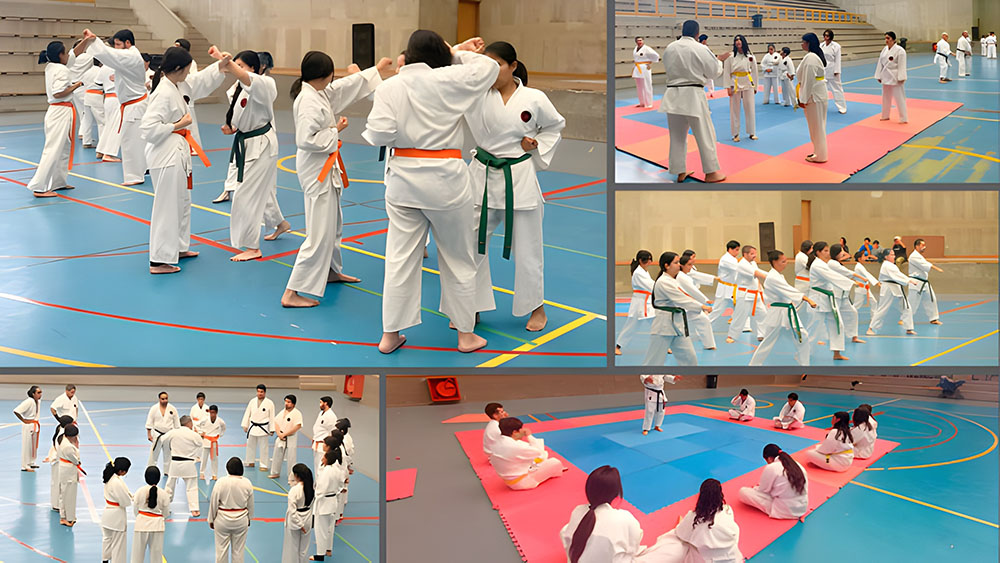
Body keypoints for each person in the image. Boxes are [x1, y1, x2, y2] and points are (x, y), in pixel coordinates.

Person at [363, 32, 499, 354]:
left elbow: (379, 133)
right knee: (458, 258)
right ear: (441, 54)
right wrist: (456, 52)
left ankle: (390, 335)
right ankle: (465, 335)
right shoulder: (449, 79)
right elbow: (490, 68)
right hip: (445, 180)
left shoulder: (390, 86)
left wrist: (405, 133)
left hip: (403, 180)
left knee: (399, 259)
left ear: (408, 55)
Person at [466, 42, 565, 333]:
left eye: (497, 64)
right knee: (469, 245)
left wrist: (535, 144)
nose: (491, 71)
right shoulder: (474, 94)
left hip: (518, 178)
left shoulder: (534, 98)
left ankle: (536, 307)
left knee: (529, 249)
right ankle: (470, 305)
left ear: (513, 66)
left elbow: (554, 126)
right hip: (482, 176)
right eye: (485, 65)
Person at [280, 53, 391, 307]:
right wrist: (335, 130)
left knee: (333, 224)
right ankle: (292, 291)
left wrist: (375, 69)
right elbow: (306, 140)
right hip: (316, 169)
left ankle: (330, 270)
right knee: (319, 232)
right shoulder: (308, 101)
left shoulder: (317, 92)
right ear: (326, 74)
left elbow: (344, 87)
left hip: (324, 166)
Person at [139, 46, 228, 275]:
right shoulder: (163, 92)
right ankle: (158, 260)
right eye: (187, 68)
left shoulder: (177, 85)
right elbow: (148, 129)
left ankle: (177, 247)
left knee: (182, 202)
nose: (189, 73)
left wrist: (220, 66)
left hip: (176, 152)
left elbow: (200, 81)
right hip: (165, 155)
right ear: (178, 68)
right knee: (167, 207)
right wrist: (177, 125)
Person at [223, 50, 283, 262]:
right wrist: (232, 127)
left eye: (241, 65)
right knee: (262, 191)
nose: (237, 69)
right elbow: (242, 114)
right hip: (247, 141)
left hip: (261, 144)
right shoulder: (237, 88)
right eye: (236, 64)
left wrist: (227, 63)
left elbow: (247, 79)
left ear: (254, 68)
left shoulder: (265, 84)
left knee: (245, 195)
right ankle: (280, 223)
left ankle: (252, 246)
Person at [659, 20, 729, 183]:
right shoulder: (700, 48)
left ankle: (679, 171)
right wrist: (719, 60)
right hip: (693, 95)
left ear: (683, 31)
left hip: (672, 94)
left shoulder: (670, 48)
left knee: (677, 136)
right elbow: (713, 72)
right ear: (697, 34)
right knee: (705, 134)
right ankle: (711, 172)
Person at [81, 29, 149, 185]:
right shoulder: (131, 56)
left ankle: (135, 176)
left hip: (134, 105)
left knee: (131, 141)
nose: (116, 47)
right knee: (134, 141)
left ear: (128, 43)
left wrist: (94, 40)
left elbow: (110, 55)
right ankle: (140, 171)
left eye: (118, 44)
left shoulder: (131, 56)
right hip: (132, 104)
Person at [27, 41, 83, 197]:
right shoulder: (61, 70)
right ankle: (39, 187)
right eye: (65, 53)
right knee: (53, 149)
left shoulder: (51, 67)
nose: (68, 56)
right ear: (60, 55)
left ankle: (58, 181)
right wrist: (77, 85)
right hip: (60, 111)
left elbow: (74, 54)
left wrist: (86, 41)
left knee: (63, 148)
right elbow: (58, 93)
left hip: (58, 111)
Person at [560, 466, 642, 562]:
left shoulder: (578, 511)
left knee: (567, 529)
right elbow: (633, 547)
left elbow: (567, 538)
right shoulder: (625, 518)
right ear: (616, 494)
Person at [749, 250, 817, 366]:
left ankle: (804, 364)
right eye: (783, 262)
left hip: (786, 312)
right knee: (768, 342)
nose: (786, 264)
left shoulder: (778, 276)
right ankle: (754, 365)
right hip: (778, 313)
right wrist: (807, 299)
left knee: (802, 336)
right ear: (775, 262)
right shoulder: (772, 277)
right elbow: (788, 290)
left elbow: (787, 290)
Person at [644, 252, 711, 366]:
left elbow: (685, 295)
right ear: (666, 265)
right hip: (664, 326)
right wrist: (701, 306)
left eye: (679, 262)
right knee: (654, 361)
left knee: (690, 359)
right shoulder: (663, 281)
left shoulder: (673, 280)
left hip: (678, 325)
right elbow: (681, 299)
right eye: (676, 262)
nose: (679, 265)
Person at [673, 479, 743, 562]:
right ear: (720, 495)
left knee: (678, 541)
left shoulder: (693, 517)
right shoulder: (727, 511)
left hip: (705, 559)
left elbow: (680, 533)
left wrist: (684, 524)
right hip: (733, 559)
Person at [807, 241, 854, 360]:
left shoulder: (823, 264)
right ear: (818, 252)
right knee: (814, 329)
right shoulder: (817, 265)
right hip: (818, 300)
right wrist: (851, 282)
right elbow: (832, 276)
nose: (828, 253)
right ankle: (805, 353)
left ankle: (836, 353)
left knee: (838, 325)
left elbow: (833, 275)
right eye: (825, 251)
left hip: (828, 299)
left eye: (828, 251)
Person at [489, 417, 565, 489]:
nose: (523, 431)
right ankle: (552, 472)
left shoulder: (498, 442)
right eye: (521, 429)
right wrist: (529, 436)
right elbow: (539, 452)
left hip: (509, 480)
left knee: (538, 460)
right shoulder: (515, 446)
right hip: (522, 482)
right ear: (515, 432)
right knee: (555, 462)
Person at [738, 444, 808, 519]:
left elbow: (763, 490)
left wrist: (755, 488)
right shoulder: (797, 465)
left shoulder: (772, 467)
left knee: (743, 491)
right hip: (802, 508)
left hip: (785, 511)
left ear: (769, 458)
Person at [209, 457, 255, 563]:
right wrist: (249, 518)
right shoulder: (247, 483)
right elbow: (250, 504)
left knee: (221, 550)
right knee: (238, 551)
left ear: (227, 468)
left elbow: (214, 502)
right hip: (241, 519)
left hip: (222, 519)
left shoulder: (221, 482)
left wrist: (211, 519)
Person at [867, 248, 918, 335]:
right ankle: (871, 328)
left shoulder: (891, 265)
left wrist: (908, 280)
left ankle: (909, 328)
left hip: (895, 287)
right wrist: (909, 280)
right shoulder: (887, 265)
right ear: (886, 257)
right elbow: (897, 275)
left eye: (894, 254)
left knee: (906, 307)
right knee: (883, 309)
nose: (894, 256)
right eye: (892, 255)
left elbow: (898, 275)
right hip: (888, 288)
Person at [163, 415, 203, 516]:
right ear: (189, 423)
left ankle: (164, 507)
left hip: (175, 464)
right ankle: (194, 510)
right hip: (188, 464)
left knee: (169, 487)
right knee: (192, 487)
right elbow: (200, 443)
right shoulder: (193, 434)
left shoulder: (173, 432)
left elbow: (162, 439)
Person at [312, 447, 348, 561]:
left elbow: (321, 489)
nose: (322, 458)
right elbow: (341, 484)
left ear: (327, 459)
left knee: (320, 530)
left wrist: (315, 496)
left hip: (324, 503)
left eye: (324, 457)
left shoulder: (326, 472)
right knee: (329, 528)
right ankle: (328, 549)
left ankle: (320, 555)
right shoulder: (337, 469)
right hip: (333, 502)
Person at [617, 250, 655, 356]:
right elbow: (651, 286)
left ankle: (663, 346)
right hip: (639, 304)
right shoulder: (638, 273)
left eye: (650, 259)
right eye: (647, 260)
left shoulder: (644, 271)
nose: (650, 262)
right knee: (631, 326)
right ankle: (617, 346)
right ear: (641, 260)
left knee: (656, 324)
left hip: (647, 302)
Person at [798, 33, 829, 163]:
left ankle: (821, 155)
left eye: (803, 42)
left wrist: (803, 99)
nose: (802, 44)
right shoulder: (813, 56)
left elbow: (809, 80)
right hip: (818, 95)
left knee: (816, 128)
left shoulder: (811, 58)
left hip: (814, 96)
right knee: (818, 127)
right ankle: (818, 152)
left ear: (809, 43)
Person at [727, 245, 768, 343]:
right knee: (740, 316)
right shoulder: (742, 264)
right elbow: (757, 273)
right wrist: (773, 278)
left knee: (763, 314)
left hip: (755, 294)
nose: (755, 255)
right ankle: (731, 336)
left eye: (755, 253)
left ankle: (762, 335)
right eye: (752, 253)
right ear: (745, 254)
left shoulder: (753, 263)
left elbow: (759, 271)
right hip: (744, 295)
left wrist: (772, 275)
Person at [827, 244, 866, 345]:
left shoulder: (838, 263)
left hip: (843, 294)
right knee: (835, 317)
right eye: (841, 251)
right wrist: (862, 278)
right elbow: (847, 272)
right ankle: (831, 338)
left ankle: (854, 336)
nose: (843, 253)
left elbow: (845, 274)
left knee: (853, 313)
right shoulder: (832, 263)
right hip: (835, 294)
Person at [132, 466, 171, 563]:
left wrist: (140, 517)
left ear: (145, 477)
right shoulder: (163, 494)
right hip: (157, 526)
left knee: (137, 555)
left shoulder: (139, 491)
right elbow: (166, 512)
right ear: (158, 478)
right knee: (156, 556)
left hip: (141, 524)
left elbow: (135, 509)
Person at [723, 34, 758, 142]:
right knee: (734, 109)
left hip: (748, 83)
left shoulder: (750, 57)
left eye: (740, 40)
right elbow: (726, 72)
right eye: (736, 40)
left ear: (744, 42)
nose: (738, 42)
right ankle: (735, 134)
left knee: (750, 108)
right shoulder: (730, 57)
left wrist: (755, 86)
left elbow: (755, 72)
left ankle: (752, 132)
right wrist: (728, 87)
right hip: (735, 83)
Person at [677, 254, 716, 350]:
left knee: (704, 320)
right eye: (689, 265)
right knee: (676, 328)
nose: (691, 267)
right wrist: (705, 301)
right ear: (682, 265)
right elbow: (693, 290)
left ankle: (709, 345)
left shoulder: (684, 275)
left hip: (689, 305)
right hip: (682, 306)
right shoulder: (681, 277)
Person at [281, 464, 314, 563]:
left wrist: (299, 524)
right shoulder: (311, 488)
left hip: (296, 521)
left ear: (296, 476)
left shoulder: (294, 490)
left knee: (292, 548)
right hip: (307, 518)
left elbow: (292, 511)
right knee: (304, 549)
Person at [101, 457, 132, 563]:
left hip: (107, 514)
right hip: (116, 516)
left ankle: (105, 559)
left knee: (107, 539)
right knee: (119, 545)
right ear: (122, 471)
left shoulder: (110, 477)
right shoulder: (116, 482)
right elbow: (125, 501)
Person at [875, 32, 909, 124]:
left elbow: (902, 65)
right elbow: (880, 63)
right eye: (885, 38)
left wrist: (902, 77)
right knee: (885, 97)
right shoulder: (884, 50)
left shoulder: (900, 50)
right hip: (885, 75)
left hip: (895, 76)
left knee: (899, 98)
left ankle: (903, 118)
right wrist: (878, 75)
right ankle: (885, 115)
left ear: (893, 39)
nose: (886, 40)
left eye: (888, 38)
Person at [908, 239, 944, 325]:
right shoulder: (913, 256)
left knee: (931, 299)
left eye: (924, 245)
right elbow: (925, 265)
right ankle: (905, 318)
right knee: (912, 301)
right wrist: (937, 268)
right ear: (917, 246)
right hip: (916, 282)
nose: (924, 247)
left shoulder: (919, 256)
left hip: (924, 282)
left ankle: (933, 319)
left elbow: (925, 263)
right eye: (922, 245)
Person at [269, 394, 304, 481]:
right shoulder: (282, 412)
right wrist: (279, 434)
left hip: (291, 437)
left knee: (291, 457)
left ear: (293, 404)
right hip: (280, 436)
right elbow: (276, 422)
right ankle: (275, 472)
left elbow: (298, 426)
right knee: (276, 455)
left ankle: (291, 476)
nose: (286, 403)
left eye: (288, 402)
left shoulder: (297, 413)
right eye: (285, 401)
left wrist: (285, 434)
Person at [707, 241, 740, 329]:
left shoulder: (733, 259)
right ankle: (705, 323)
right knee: (718, 309)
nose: (738, 252)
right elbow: (739, 268)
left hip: (733, 288)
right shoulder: (726, 259)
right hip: (724, 288)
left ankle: (744, 326)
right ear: (730, 249)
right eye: (736, 250)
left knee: (740, 306)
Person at [242, 384, 275, 471]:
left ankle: (264, 464)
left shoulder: (269, 403)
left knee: (264, 447)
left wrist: (272, 429)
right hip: (252, 426)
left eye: (261, 392)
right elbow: (247, 413)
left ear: (265, 392)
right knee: (250, 445)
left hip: (263, 427)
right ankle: (250, 461)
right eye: (258, 391)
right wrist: (245, 425)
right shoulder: (252, 401)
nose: (260, 393)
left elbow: (272, 416)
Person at [46, 415, 75, 514]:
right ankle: (58, 505)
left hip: (56, 460)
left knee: (55, 483)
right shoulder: (63, 435)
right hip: (59, 461)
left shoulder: (59, 428)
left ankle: (55, 504)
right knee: (59, 483)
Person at [57, 424, 83, 527]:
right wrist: (78, 460)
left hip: (65, 468)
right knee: (69, 495)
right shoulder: (68, 446)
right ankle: (69, 518)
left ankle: (64, 516)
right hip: (68, 470)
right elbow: (75, 459)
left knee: (64, 493)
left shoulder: (63, 439)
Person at [145, 391, 180, 469]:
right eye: (163, 399)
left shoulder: (172, 408)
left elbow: (177, 423)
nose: (165, 400)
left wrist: (176, 436)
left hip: (169, 434)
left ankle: (167, 472)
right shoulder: (154, 408)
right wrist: (149, 434)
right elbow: (149, 421)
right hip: (157, 434)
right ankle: (151, 470)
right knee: (153, 454)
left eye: (166, 398)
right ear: (159, 399)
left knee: (168, 455)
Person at [97, 56, 122, 162]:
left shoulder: (104, 67)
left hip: (107, 98)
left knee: (109, 125)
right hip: (117, 99)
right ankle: (109, 153)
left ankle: (101, 150)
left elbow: (98, 82)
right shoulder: (118, 66)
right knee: (117, 126)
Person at [14, 385, 43, 472]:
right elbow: (16, 411)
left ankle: (31, 462)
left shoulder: (38, 401)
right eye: (38, 392)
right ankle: (25, 465)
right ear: (33, 394)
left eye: (41, 392)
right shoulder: (29, 401)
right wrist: (23, 420)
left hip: (35, 424)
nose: (40, 394)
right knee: (27, 446)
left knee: (33, 446)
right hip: (28, 425)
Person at [820, 29, 846, 114]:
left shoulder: (836, 46)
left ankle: (842, 107)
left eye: (827, 36)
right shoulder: (821, 45)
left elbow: (838, 59)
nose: (826, 37)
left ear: (831, 37)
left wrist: (837, 70)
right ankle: (822, 106)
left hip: (833, 69)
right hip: (824, 69)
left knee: (837, 89)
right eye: (825, 35)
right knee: (822, 89)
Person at [81, 58, 104, 149]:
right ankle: (102, 145)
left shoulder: (87, 72)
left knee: (87, 120)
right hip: (97, 96)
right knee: (101, 122)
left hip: (87, 96)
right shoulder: (101, 71)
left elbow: (83, 83)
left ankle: (86, 142)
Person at [632, 37, 660, 108]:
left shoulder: (647, 48)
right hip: (637, 67)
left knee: (647, 85)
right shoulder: (635, 49)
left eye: (641, 40)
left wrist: (650, 62)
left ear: (643, 41)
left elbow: (656, 55)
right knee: (639, 86)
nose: (639, 42)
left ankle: (649, 103)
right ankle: (642, 102)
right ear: (636, 42)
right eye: (638, 40)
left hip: (645, 67)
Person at [201, 404, 226, 481]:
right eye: (211, 412)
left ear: (216, 412)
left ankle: (214, 474)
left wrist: (220, 434)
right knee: (204, 458)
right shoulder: (205, 420)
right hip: (206, 441)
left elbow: (223, 428)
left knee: (214, 459)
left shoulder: (220, 421)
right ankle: (202, 473)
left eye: (214, 413)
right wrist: (201, 432)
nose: (212, 414)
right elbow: (197, 425)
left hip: (214, 441)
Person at [312, 396, 338, 470]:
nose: (319, 404)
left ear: (325, 403)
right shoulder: (321, 413)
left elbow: (333, 431)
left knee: (321, 465)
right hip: (317, 442)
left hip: (323, 445)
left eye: (321, 402)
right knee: (316, 465)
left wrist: (329, 445)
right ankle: (316, 478)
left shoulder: (331, 416)